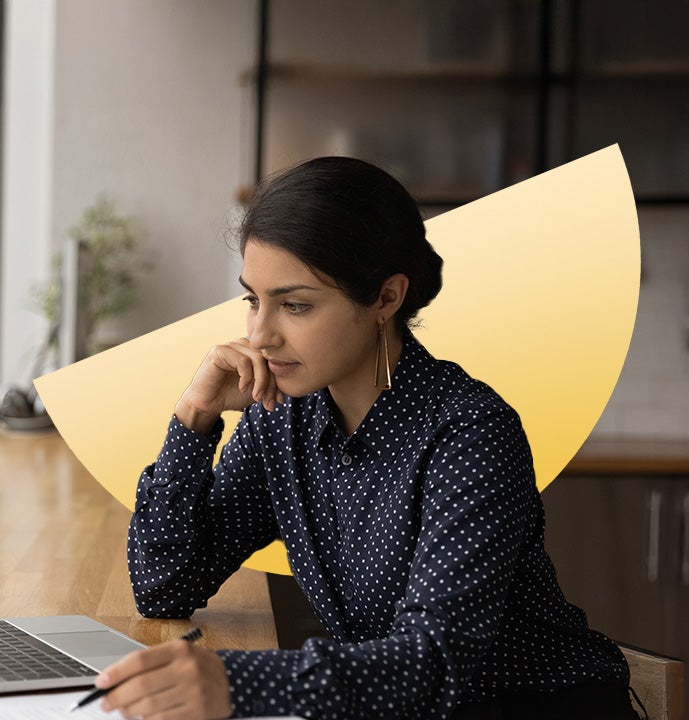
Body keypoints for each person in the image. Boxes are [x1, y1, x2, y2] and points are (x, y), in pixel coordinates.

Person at [92, 157, 638, 720]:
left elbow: (433, 661)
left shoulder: (471, 432)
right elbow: (166, 587)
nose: (259, 334)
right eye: (253, 300)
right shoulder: (282, 417)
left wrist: (233, 681)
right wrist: (194, 417)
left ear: (385, 298)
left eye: (295, 305)